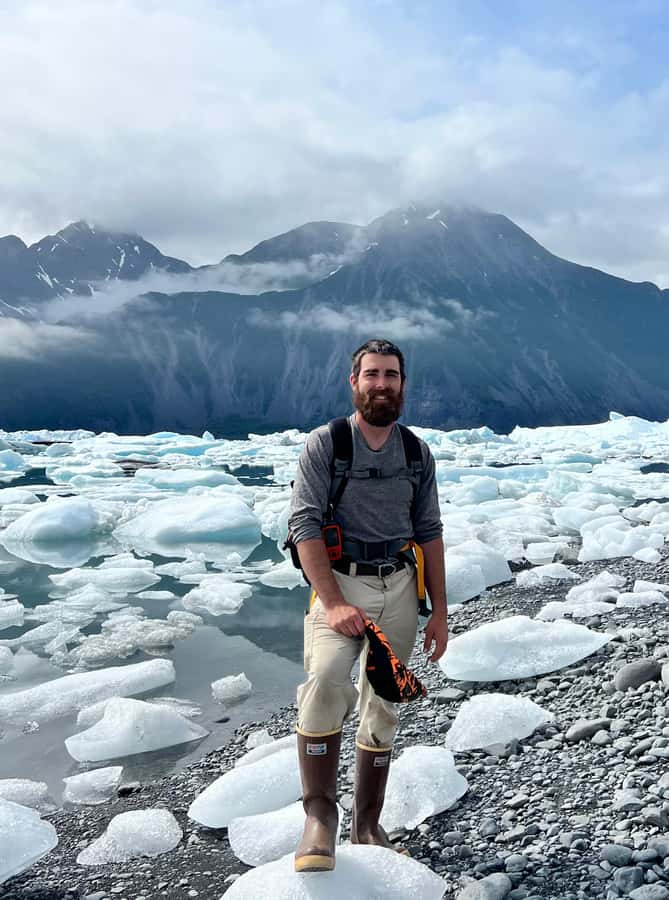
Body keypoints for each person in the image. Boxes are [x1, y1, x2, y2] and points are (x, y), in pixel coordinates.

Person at [287, 337, 448, 873]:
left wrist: (440, 611)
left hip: (400, 585)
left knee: (385, 702)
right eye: (372, 375)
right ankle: (319, 819)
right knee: (327, 680)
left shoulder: (415, 452)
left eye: (392, 376)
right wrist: (332, 604)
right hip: (340, 582)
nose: (382, 385)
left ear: (403, 384)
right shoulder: (326, 445)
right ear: (353, 383)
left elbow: (429, 532)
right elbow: (304, 524)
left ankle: (368, 822)